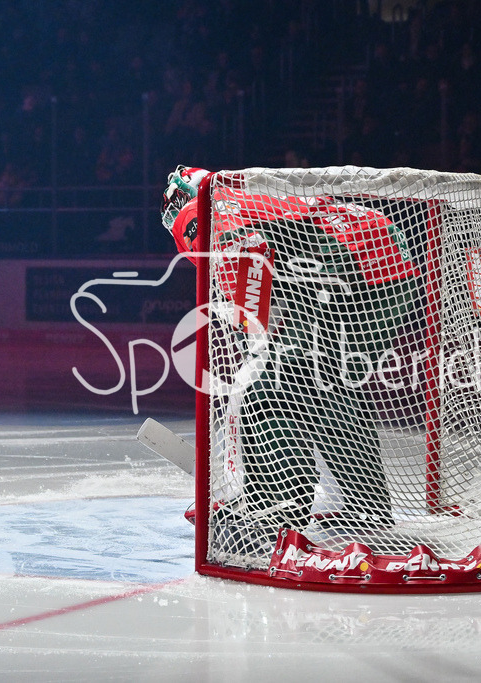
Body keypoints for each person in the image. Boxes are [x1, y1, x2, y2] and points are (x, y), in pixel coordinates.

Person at [162, 166, 420, 554]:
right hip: (382, 271)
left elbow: (243, 248)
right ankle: (361, 503)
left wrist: (254, 330)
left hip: (351, 270)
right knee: (325, 386)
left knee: (273, 384)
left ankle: (278, 504)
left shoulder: (208, 207)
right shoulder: (250, 194)